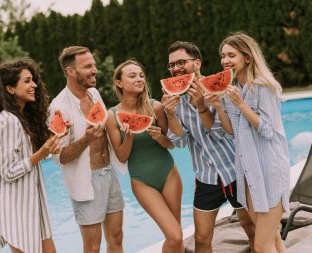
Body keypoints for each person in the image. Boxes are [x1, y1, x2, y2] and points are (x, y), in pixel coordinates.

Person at [162, 41, 256, 253]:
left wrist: (202, 106)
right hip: (206, 176)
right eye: (171, 65)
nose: (176, 68)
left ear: (197, 63)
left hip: (235, 170)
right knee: (202, 239)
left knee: (250, 227)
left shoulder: (218, 90)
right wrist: (170, 114)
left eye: (181, 62)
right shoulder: (174, 100)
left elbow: (222, 132)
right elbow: (179, 141)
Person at [205, 32, 289, 253]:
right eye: (223, 56)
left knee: (262, 246)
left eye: (231, 55)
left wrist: (240, 104)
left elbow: (268, 131)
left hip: (269, 172)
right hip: (247, 173)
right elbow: (233, 131)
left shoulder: (264, 87)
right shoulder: (233, 89)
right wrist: (221, 106)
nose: (225, 61)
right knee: (275, 242)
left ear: (248, 57)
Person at [48, 46, 125, 253]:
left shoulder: (94, 93)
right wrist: (86, 139)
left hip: (109, 173)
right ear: (71, 71)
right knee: (92, 247)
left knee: (116, 238)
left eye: (94, 65)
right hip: (86, 181)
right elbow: (60, 157)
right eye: (88, 66)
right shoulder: (58, 107)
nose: (95, 70)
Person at [106, 59, 184, 253]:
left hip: (169, 174)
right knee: (174, 236)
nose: (139, 79)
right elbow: (122, 157)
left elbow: (171, 144)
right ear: (119, 83)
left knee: (177, 236)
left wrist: (159, 137)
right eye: (132, 76)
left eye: (141, 75)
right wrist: (130, 137)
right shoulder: (112, 115)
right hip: (142, 182)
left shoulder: (155, 107)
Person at [0, 58, 62, 253]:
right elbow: (9, 172)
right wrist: (42, 153)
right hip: (17, 209)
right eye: (27, 81)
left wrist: (56, 136)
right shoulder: (9, 121)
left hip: (32, 202)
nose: (34, 85)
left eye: (33, 80)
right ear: (10, 89)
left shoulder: (21, 117)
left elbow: (27, 158)